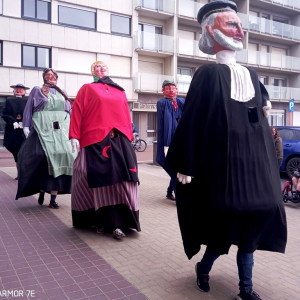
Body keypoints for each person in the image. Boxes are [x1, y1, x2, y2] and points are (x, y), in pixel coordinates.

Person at [164, 1, 287, 300]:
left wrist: (271, 167)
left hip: (254, 172)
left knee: (250, 235)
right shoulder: (207, 75)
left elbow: (258, 125)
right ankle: (203, 269)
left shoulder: (253, 76)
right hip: (222, 173)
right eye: (232, 24)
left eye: (240, 25)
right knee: (220, 236)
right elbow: (192, 120)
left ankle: (246, 290)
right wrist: (186, 163)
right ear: (210, 30)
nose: (240, 30)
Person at [69, 61, 140, 239]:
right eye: (96, 67)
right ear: (92, 72)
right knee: (91, 177)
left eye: (104, 67)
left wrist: (130, 135)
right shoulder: (87, 88)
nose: (100, 69)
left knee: (124, 180)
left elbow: (125, 113)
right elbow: (77, 111)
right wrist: (74, 135)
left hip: (119, 139)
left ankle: (121, 220)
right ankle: (97, 219)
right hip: (95, 139)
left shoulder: (120, 91)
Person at [16, 68, 76, 209]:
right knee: (40, 157)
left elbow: (69, 110)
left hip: (61, 129)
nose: (51, 77)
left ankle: (53, 198)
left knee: (67, 155)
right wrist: (26, 125)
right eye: (48, 75)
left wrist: (74, 131)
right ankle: (42, 190)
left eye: (54, 75)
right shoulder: (37, 90)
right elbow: (29, 108)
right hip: (42, 126)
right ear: (44, 77)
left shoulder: (63, 92)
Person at [156, 80, 185, 201]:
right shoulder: (162, 103)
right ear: (163, 90)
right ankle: (179, 197)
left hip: (180, 139)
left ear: (177, 90)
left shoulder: (182, 101)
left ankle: (169, 192)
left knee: (175, 170)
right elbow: (165, 123)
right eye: (168, 88)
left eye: (173, 88)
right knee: (173, 171)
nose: (171, 90)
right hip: (168, 141)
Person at [1, 84, 29, 180]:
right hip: (12, 131)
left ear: (25, 92)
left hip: (24, 131)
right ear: (13, 91)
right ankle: (19, 174)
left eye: (21, 90)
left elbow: (31, 113)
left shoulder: (28, 101)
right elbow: (4, 114)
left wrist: (24, 123)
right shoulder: (9, 101)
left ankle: (25, 173)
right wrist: (13, 121)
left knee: (25, 152)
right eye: (17, 89)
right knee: (16, 153)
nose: (19, 91)